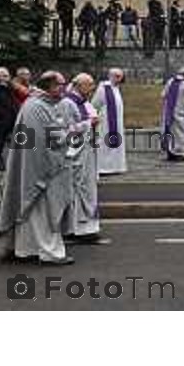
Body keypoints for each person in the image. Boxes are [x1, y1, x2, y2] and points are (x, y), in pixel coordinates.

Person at [0, 71, 75, 265]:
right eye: (60, 84)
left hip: (36, 168)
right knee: (41, 213)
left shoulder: (40, 105)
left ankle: (24, 250)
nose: (64, 88)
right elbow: (44, 142)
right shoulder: (36, 107)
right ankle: (49, 252)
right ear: (49, 86)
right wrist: (71, 133)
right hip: (38, 171)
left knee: (29, 212)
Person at [59, 73, 107, 244]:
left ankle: (88, 228)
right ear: (79, 85)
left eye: (93, 84)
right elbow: (65, 130)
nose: (92, 88)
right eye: (89, 85)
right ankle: (76, 230)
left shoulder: (84, 103)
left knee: (88, 191)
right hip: (76, 156)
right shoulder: (67, 103)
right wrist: (89, 124)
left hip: (87, 154)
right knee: (77, 191)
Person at [92, 68, 127, 175]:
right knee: (105, 143)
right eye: (117, 76)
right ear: (111, 76)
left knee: (116, 144)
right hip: (105, 123)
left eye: (120, 77)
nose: (120, 79)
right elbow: (95, 104)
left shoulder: (116, 88)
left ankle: (116, 166)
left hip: (118, 123)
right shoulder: (103, 88)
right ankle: (104, 167)